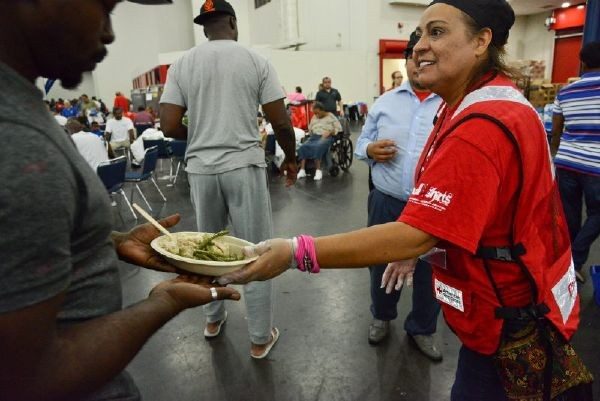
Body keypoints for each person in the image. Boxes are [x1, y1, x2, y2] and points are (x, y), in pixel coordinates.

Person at [219, 1, 594, 400]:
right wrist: (423, 238)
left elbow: (414, 234)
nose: (418, 46)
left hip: (508, 324)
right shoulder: (481, 104)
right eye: (420, 34)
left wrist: (297, 252)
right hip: (512, 310)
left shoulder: (480, 126)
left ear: (482, 40)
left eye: (437, 32)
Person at [0, 1, 240, 400]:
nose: (109, 32)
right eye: (104, 6)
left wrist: (108, 243)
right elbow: (27, 376)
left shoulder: (20, 112)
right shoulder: (17, 145)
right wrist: (163, 304)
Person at [159, 0, 297, 359]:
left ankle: (212, 319)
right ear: (233, 24)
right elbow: (281, 122)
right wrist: (292, 160)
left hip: (201, 170)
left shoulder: (182, 65)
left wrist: (203, 133)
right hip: (242, 166)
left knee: (207, 250)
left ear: (205, 28)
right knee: (254, 251)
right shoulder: (256, 61)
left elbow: (169, 125)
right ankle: (258, 337)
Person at [355, 31, 443, 360]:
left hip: (434, 207)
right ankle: (381, 316)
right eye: (413, 55)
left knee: (431, 269)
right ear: (406, 62)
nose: (419, 61)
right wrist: (369, 149)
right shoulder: (384, 102)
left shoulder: (451, 103)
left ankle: (422, 328)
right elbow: (360, 144)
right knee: (379, 263)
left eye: (428, 55)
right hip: (386, 201)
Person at [550, 41, 600, 285]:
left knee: (569, 218)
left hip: (567, 162)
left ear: (582, 62)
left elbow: (556, 129)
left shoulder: (566, 91)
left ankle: (567, 264)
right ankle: (575, 260)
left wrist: (560, 153)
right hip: (596, 167)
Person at [296, 101, 341, 181]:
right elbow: (310, 128)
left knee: (318, 146)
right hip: (314, 136)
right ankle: (302, 170)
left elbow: (339, 128)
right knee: (303, 146)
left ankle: (318, 170)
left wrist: (330, 132)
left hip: (326, 137)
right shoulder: (314, 117)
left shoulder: (331, 116)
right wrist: (311, 134)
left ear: (322, 110)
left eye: (317, 113)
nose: (316, 115)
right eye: (315, 113)